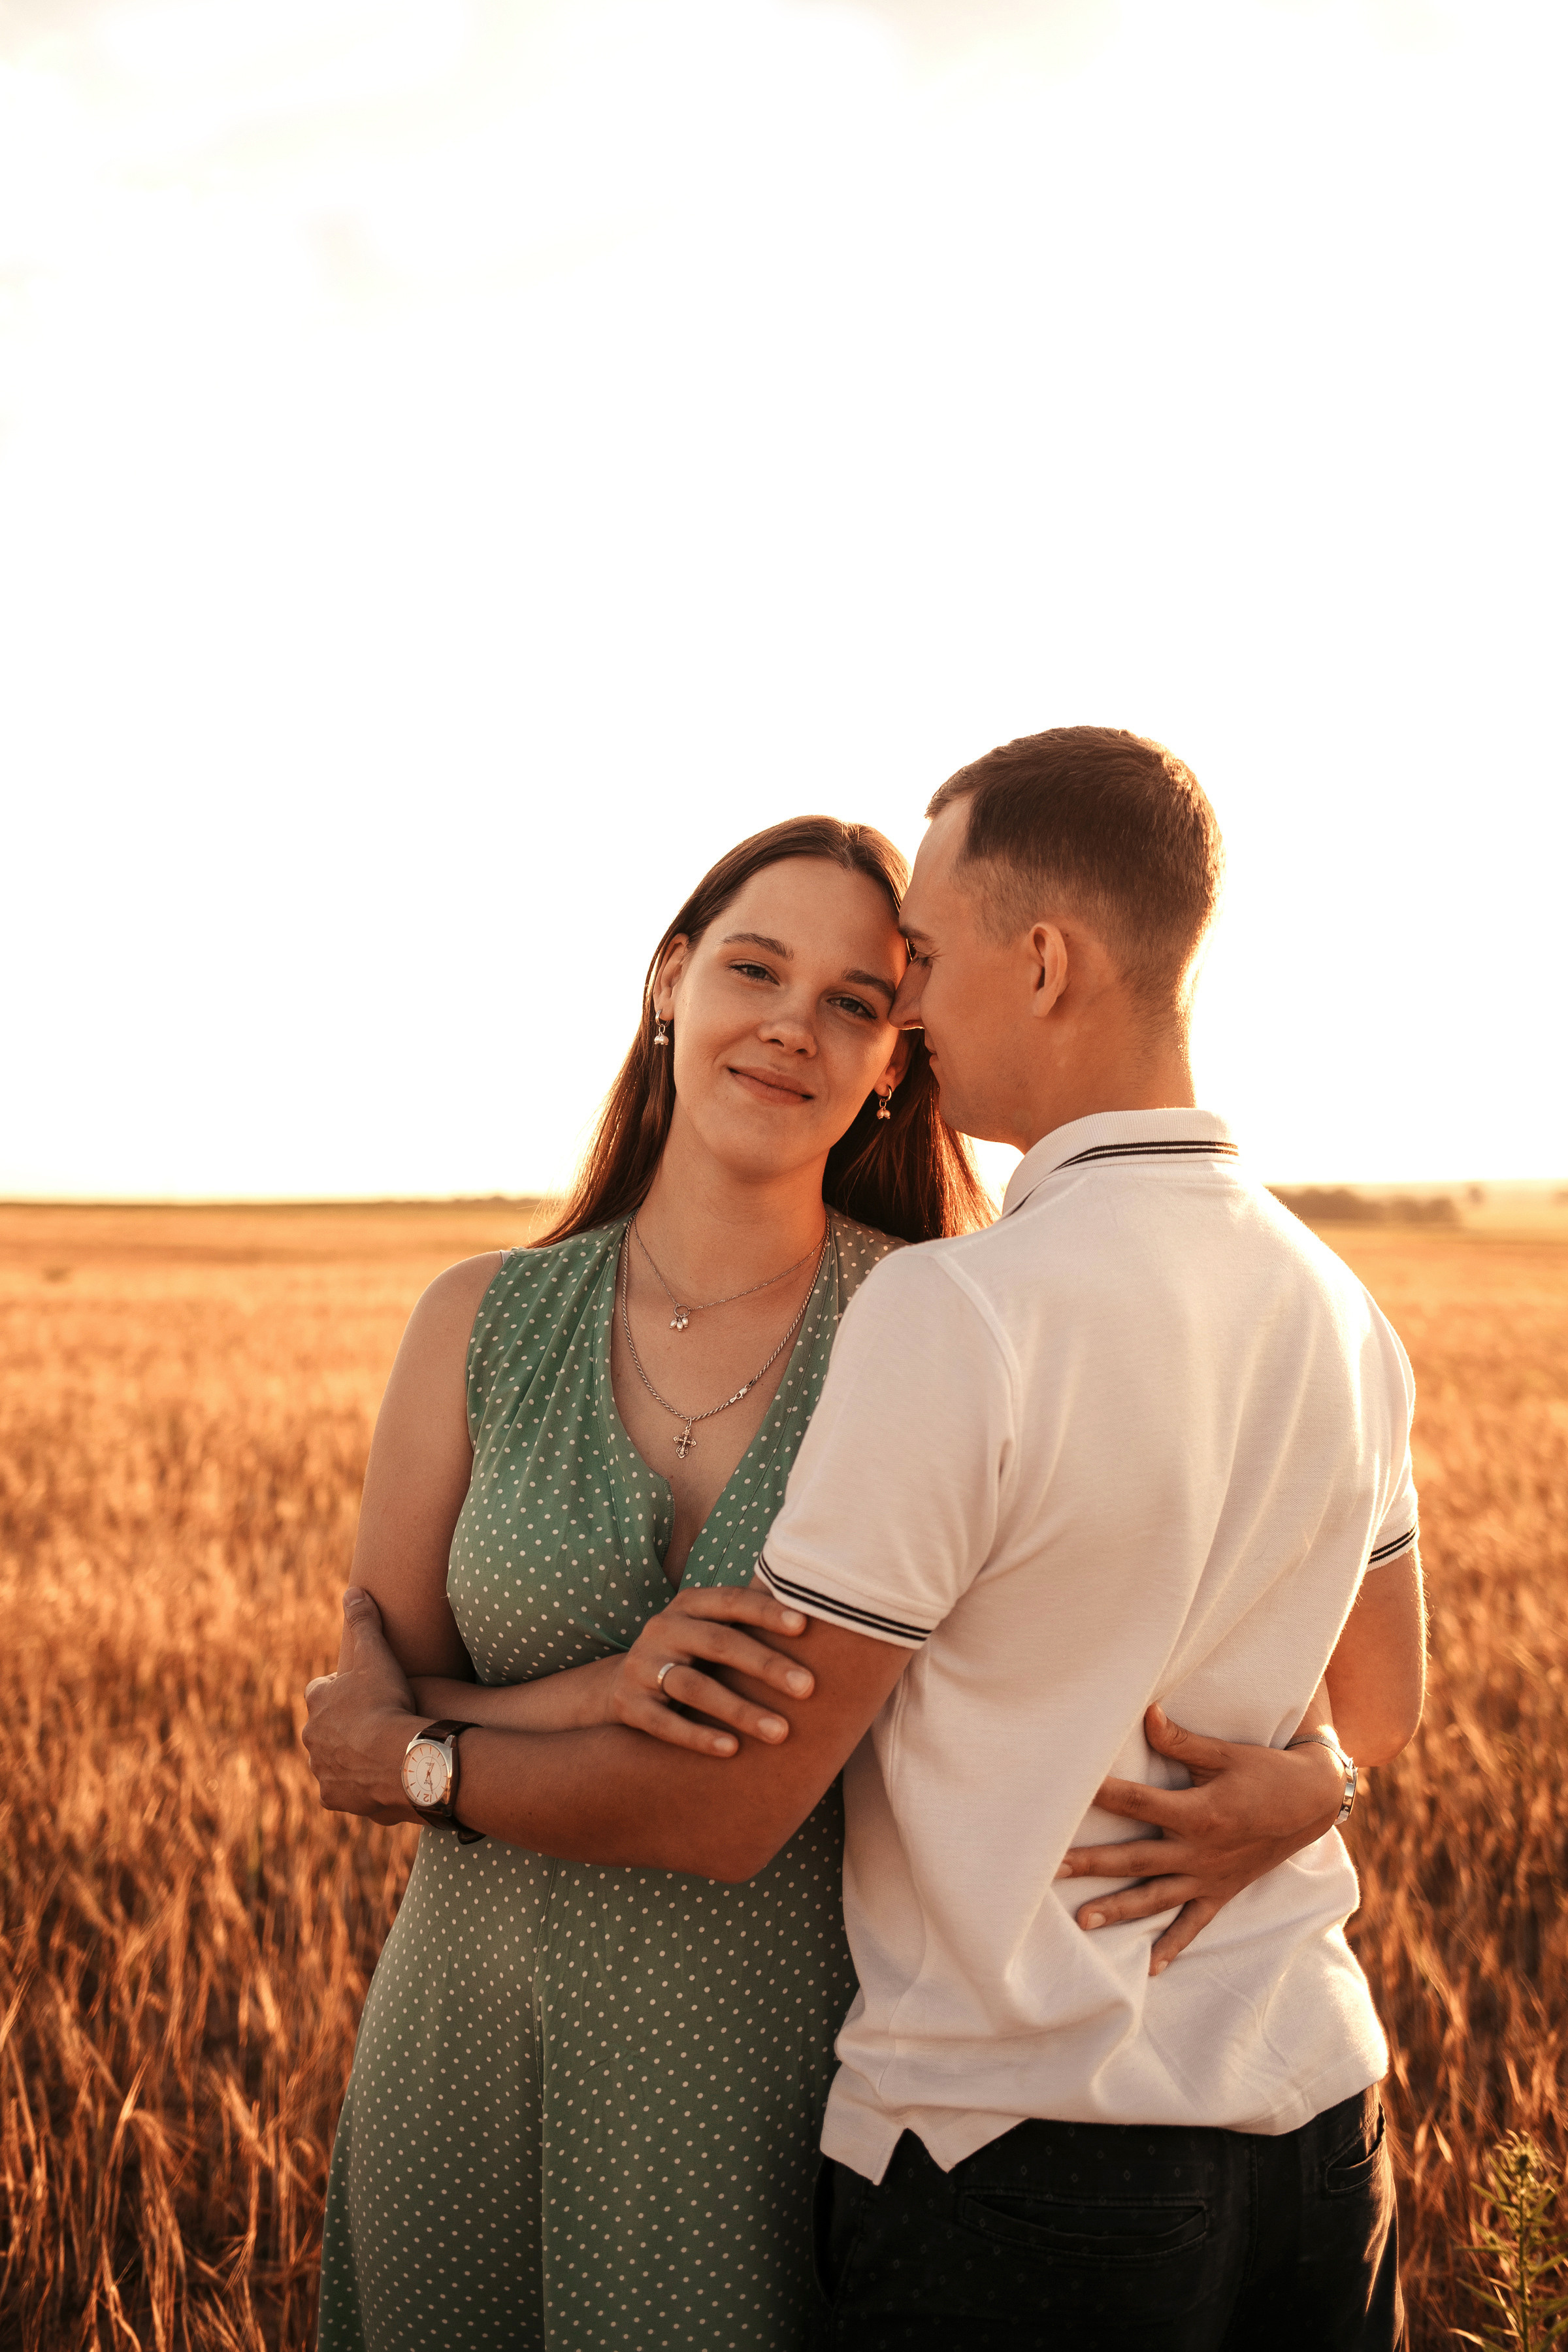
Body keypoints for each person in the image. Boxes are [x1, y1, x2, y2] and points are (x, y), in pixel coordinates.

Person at [306, 779, 1414, 2352]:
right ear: (670, 977)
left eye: (869, 997)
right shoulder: (483, 1322)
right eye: (754, 969)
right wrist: (579, 1697)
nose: (795, 1028)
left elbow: (674, 1791)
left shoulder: (942, 1314)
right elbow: (374, 1691)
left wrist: (422, 1764)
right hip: (479, 2029)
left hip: (798, 2060)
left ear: (905, 1050)